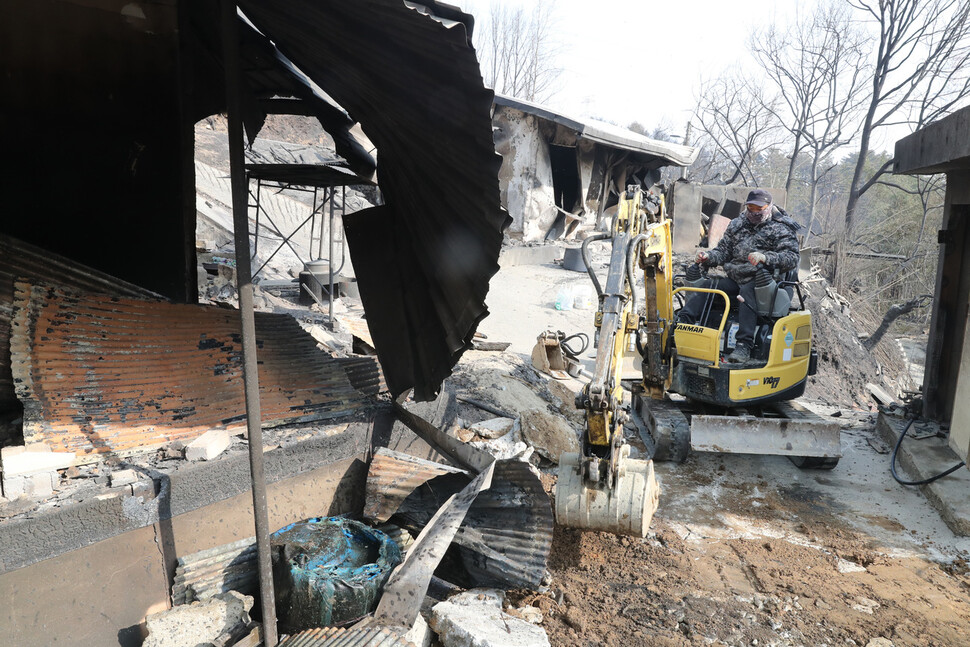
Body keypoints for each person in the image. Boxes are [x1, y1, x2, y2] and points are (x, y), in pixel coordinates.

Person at [678, 188, 800, 363]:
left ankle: (744, 345)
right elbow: (723, 251)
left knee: (746, 294)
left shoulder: (782, 228)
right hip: (737, 278)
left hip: (766, 281)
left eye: (759, 208)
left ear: (769, 206)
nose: (755, 212)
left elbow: (791, 257)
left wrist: (766, 258)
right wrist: (708, 257)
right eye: (751, 208)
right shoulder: (737, 224)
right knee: (710, 286)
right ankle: (684, 325)